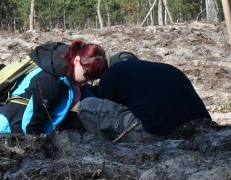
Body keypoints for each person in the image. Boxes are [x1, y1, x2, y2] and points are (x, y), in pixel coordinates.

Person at [0, 41, 107, 135]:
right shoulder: (50, 80)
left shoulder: (68, 71)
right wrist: (38, 148)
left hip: (20, 117)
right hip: (14, 126)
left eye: (95, 78)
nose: (90, 82)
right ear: (77, 60)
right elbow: (31, 122)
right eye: (88, 76)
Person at [78, 52, 212, 143]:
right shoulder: (166, 69)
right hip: (199, 130)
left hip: (155, 132)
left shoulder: (112, 72)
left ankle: (107, 149)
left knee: (86, 106)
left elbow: (107, 103)